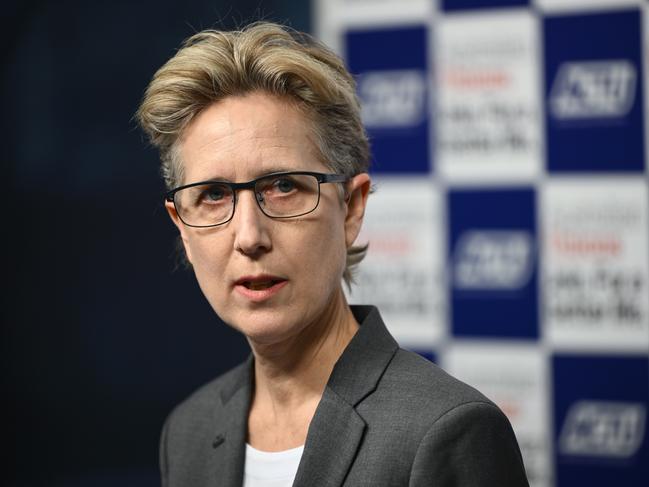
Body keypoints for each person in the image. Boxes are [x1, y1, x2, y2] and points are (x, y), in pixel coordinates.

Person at [136, 21, 529, 487]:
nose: (248, 236)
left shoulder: (446, 430)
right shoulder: (188, 430)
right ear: (182, 226)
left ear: (352, 208)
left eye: (283, 186)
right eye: (214, 194)